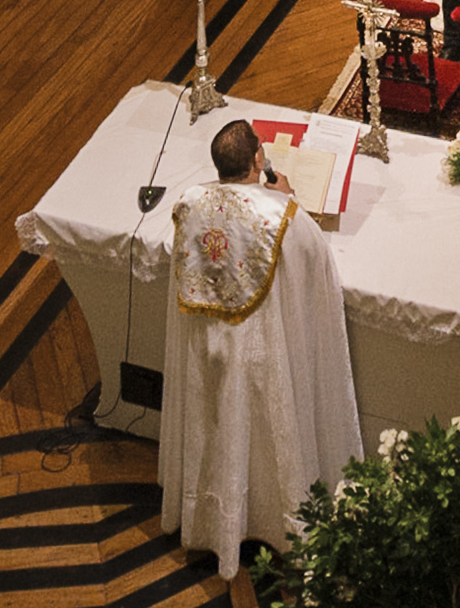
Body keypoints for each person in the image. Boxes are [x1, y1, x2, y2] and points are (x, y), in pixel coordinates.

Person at [159, 117, 362, 581]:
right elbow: (316, 263)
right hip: (262, 352)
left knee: (217, 433)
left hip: (205, 352)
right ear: (258, 160)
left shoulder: (189, 205)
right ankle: (276, 524)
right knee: (270, 442)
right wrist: (288, 198)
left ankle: (215, 523)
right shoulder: (282, 218)